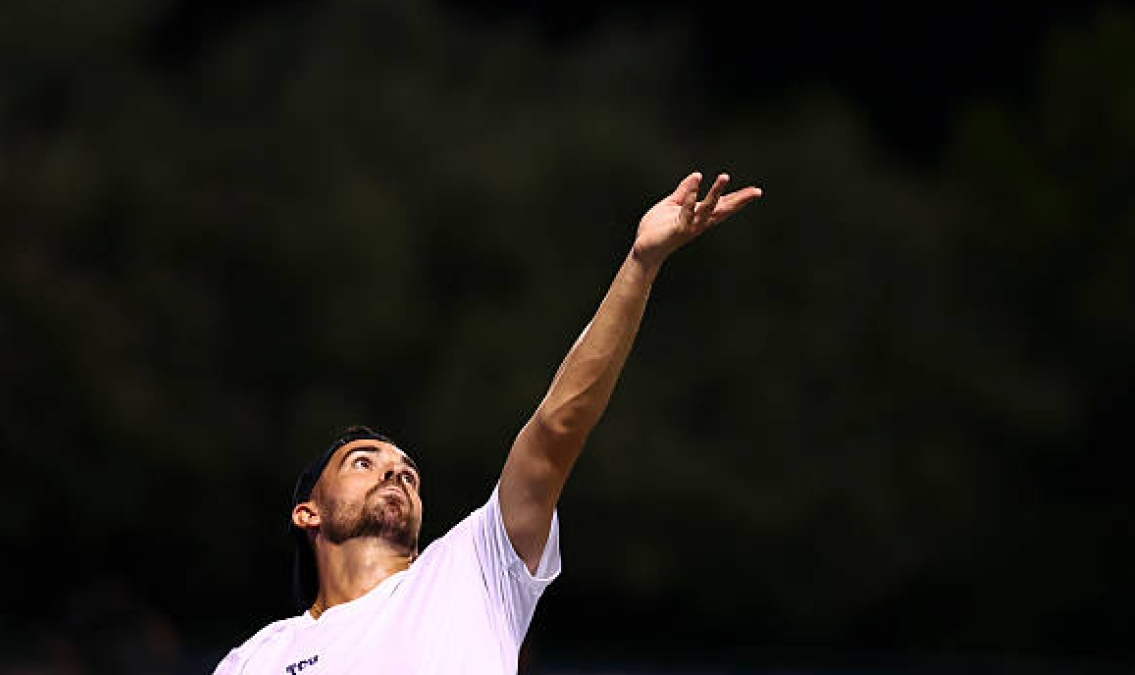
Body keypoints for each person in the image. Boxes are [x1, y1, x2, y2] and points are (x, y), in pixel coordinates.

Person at [213, 172, 762, 674]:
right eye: (364, 462)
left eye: (408, 472)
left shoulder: (472, 569)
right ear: (307, 513)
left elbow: (557, 428)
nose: (395, 475)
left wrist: (641, 264)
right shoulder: (254, 659)